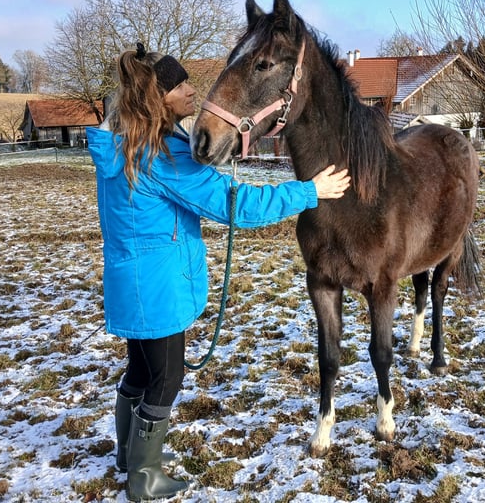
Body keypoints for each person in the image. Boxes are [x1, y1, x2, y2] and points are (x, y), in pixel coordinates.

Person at [85, 43, 350, 502]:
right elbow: (237, 204)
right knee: (166, 378)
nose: (193, 91)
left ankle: (130, 455)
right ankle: (143, 476)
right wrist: (309, 191)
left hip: (133, 281)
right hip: (160, 287)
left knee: (140, 370)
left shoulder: (124, 146)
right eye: (181, 85)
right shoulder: (163, 158)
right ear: (159, 98)